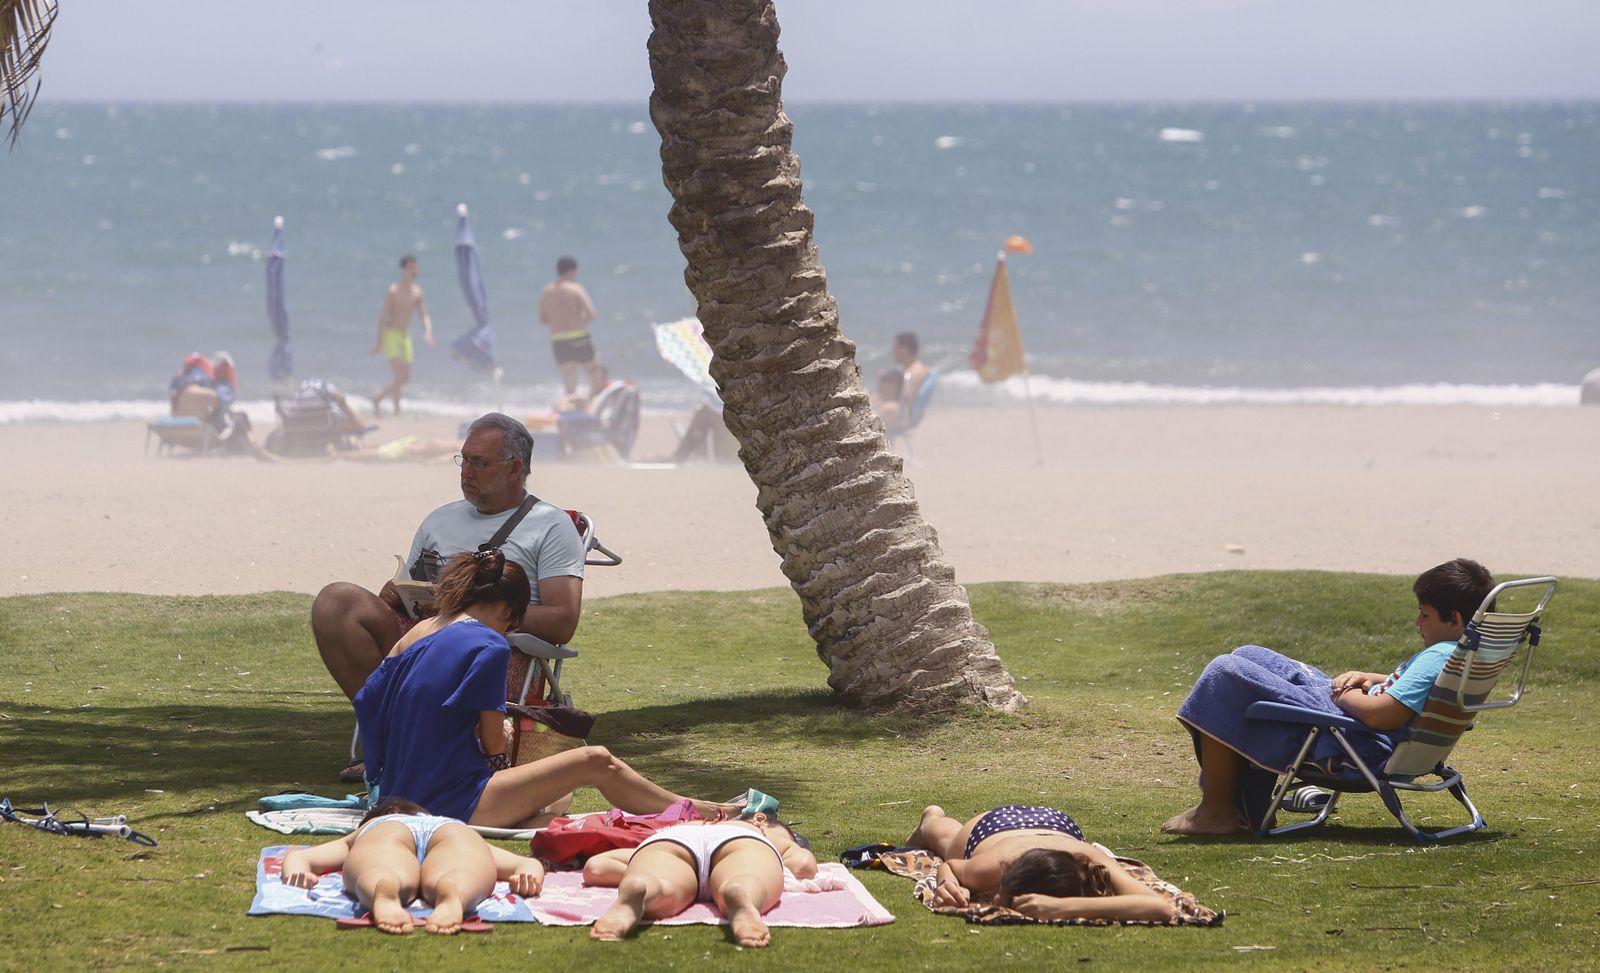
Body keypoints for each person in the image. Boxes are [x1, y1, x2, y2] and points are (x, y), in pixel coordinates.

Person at [352, 549, 729, 830]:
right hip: (447, 801)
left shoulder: (418, 632)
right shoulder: (488, 645)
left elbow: (370, 704)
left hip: (396, 796)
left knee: (561, 796)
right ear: (508, 611)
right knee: (595, 760)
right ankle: (698, 811)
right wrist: (502, 734)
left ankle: (536, 820)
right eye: (513, 623)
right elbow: (494, 745)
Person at [311, 412, 585, 778]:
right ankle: (394, 742)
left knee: (442, 639)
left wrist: (470, 610)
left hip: (491, 648)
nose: (466, 472)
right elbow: (412, 587)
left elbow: (562, 621)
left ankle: (401, 751)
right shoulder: (439, 519)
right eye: (463, 460)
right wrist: (396, 592)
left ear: (514, 467)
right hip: (419, 636)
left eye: (479, 463)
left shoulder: (550, 526)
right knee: (336, 602)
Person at [1162, 557, 1495, 835]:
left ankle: (1218, 810)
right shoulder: (1465, 655)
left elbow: (1381, 715)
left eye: (1424, 614)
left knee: (1225, 672)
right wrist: (1369, 678)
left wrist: (1343, 697)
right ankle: (1246, 804)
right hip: (1358, 722)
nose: (1416, 622)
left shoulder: (1439, 655)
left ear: (1454, 620)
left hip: (1356, 737)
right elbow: (1421, 690)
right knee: (1249, 655)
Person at [279, 796, 545, 936]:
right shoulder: (445, 822)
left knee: (379, 866)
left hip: (388, 831)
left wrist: (297, 870)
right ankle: (454, 892)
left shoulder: (374, 826)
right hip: (452, 830)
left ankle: (383, 887)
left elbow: (303, 857)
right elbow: (525, 863)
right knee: (464, 869)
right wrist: (528, 876)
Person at [905, 804, 1175, 922]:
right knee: (946, 839)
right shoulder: (994, 867)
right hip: (995, 827)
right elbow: (951, 865)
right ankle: (931, 817)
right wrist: (948, 883)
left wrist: (1063, 907)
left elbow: (1161, 908)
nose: (995, 899)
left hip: (1057, 825)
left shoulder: (1090, 863)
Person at [582, 812, 817, 947]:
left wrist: (639, 870)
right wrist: (781, 858)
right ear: (760, 819)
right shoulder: (762, 831)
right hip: (741, 840)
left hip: (673, 840)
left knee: (658, 881)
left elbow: (597, 867)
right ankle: (741, 892)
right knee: (749, 878)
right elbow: (804, 865)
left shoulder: (688, 826)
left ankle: (644, 887)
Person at [371, 255, 434, 417]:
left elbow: (424, 314)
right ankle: (380, 400)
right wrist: (379, 342)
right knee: (401, 376)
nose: (414, 270)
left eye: (415, 267)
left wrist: (428, 331)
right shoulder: (394, 291)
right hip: (391, 335)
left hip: (405, 335)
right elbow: (383, 316)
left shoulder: (417, 292)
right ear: (403, 269)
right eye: (410, 267)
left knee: (402, 377)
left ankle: (393, 408)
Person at [538, 255, 604, 397]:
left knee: (569, 381)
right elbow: (591, 313)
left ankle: (571, 406)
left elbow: (543, 320)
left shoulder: (546, 291)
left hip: (558, 340)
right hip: (579, 337)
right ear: (571, 271)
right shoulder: (576, 289)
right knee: (595, 371)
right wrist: (578, 319)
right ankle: (594, 400)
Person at [892, 332, 931, 414]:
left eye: (895, 348)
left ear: (904, 349)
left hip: (902, 414)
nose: (893, 351)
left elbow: (906, 397)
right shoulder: (905, 369)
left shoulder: (915, 372)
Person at [873, 368, 906, 438]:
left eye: (884, 380)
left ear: (895, 387)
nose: (880, 384)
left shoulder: (891, 408)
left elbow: (873, 428)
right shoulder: (883, 401)